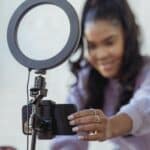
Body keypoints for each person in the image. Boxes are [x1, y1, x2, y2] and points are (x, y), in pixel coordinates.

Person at [50, 0, 150, 149]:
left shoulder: (146, 71)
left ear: (127, 37)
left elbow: (144, 107)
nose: (101, 54)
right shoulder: (86, 79)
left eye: (109, 42)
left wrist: (111, 125)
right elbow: (69, 137)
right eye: (92, 46)